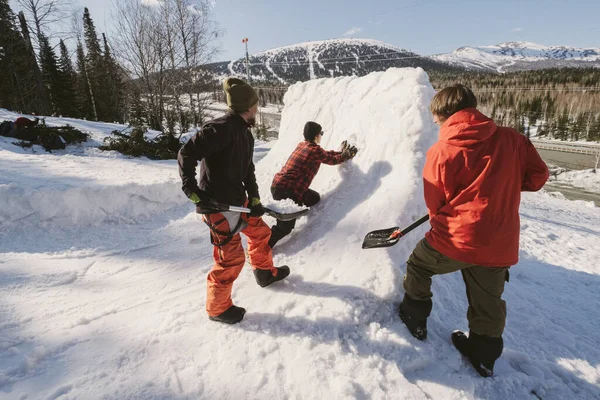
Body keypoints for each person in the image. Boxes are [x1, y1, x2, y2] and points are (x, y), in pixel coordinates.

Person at [398, 84, 549, 377]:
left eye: (436, 117)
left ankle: (414, 318)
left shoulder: (441, 151)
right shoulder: (512, 139)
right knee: (488, 300)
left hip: (456, 239)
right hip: (499, 242)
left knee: (418, 265)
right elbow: (538, 176)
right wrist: (504, 185)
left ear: (444, 114)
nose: (435, 122)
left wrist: (445, 220)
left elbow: (435, 202)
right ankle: (483, 356)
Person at [177, 77, 290, 325]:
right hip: (217, 205)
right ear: (248, 107)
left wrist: (255, 198)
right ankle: (217, 309)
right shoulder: (219, 129)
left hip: (238, 201)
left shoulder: (244, 133)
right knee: (230, 259)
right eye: (256, 105)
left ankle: (263, 272)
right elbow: (186, 154)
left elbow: (247, 169)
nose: (258, 110)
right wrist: (191, 188)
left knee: (260, 233)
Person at [268, 121, 357, 248]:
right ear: (316, 136)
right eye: (321, 133)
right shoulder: (314, 151)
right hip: (287, 191)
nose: (321, 135)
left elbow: (325, 154)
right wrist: (345, 155)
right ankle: (261, 247)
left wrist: (340, 153)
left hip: (278, 186)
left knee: (314, 198)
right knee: (285, 228)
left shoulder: (303, 145)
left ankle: (291, 211)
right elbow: (331, 160)